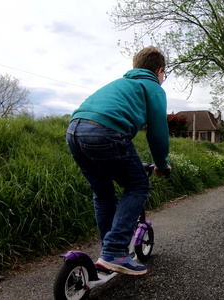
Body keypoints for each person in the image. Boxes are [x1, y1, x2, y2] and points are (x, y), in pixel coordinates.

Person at [66, 46, 171, 275]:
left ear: (135, 67)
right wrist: (162, 165)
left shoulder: (118, 83)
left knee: (103, 194)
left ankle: (108, 251)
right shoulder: (153, 87)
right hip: (105, 132)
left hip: (74, 130)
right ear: (160, 70)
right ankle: (114, 251)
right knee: (138, 186)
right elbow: (157, 133)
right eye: (164, 75)